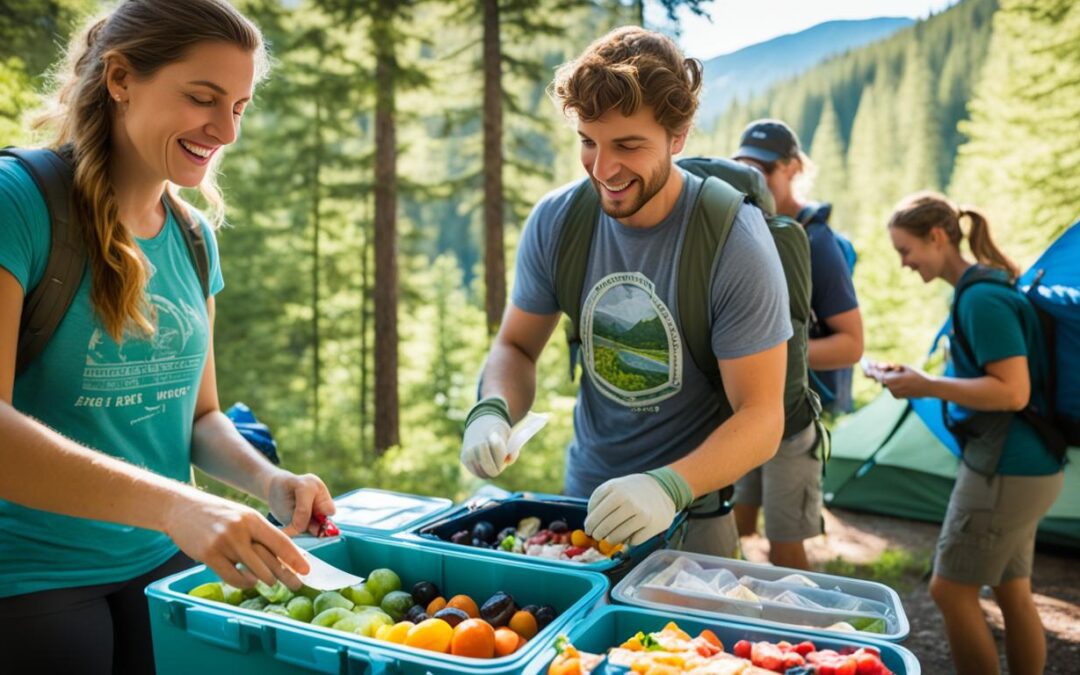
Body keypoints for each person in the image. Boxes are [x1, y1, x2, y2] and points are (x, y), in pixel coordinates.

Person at [0, 2, 335, 672]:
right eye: (203, 98)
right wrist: (179, 504)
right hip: (33, 578)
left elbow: (201, 417)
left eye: (238, 106)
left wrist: (269, 482)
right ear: (121, 78)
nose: (226, 131)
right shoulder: (19, 202)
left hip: (166, 567)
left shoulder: (192, 237)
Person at [459, 26, 791, 558]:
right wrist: (493, 410)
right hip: (582, 508)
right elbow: (516, 346)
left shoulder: (731, 240)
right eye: (588, 142)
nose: (604, 169)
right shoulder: (559, 220)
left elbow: (761, 416)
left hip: (692, 520)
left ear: (677, 137)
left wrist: (667, 486)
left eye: (628, 145)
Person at [874, 192, 1064, 675]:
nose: (904, 264)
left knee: (950, 590)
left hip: (1005, 468)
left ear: (937, 238)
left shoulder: (981, 299)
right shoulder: (985, 288)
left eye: (906, 250)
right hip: (1030, 466)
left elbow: (1013, 392)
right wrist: (921, 378)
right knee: (1011, 589)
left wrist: (927, 384)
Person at [730, 119, 864, 569]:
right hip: (741, 409)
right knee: (734, 524)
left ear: (790, 168)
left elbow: (850, 344)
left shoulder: (817, 241)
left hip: (792, 415)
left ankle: (797, 636)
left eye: (762, 170)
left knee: (785, 544)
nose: (752, 180)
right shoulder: (743, 226)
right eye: (742, 168)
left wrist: (775, 357)